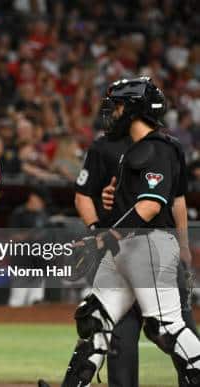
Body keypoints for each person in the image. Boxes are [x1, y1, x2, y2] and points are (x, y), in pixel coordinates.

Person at [39, 77, 200, 387]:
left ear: (135, 110)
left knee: (166, 328)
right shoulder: (135, 149)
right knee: (95, 321)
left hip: (149, 245)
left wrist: (105, 236)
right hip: (125, 248)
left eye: (119, 106)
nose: (113, 112)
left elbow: (151, 206)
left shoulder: (158, 148)